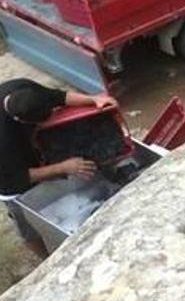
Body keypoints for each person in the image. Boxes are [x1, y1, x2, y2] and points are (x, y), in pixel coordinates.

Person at [0, 78, 118, 258]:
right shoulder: (4, 142)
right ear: (18, 120)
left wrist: (93, 100)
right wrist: (63, 167)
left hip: (24, 152)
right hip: (10, 182)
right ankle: (48, 262)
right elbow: (16, 177)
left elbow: (58, 96)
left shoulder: (21, 88)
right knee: (28, 228)